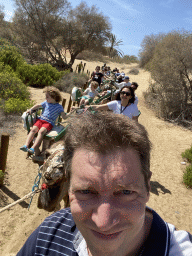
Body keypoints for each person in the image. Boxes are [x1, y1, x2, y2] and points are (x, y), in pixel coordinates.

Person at [17, 111, 192, 256]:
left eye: (125, 192)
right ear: (69, 187)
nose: (104, 223)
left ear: (147, 188)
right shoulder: (48, 235)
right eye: (86, 191)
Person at [20, 86, 67, 156]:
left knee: (41, 132)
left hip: (49, 122)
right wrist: (31, 109)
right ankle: (26, 145)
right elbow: (38, 105)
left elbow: (64, 116)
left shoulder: (59, 107)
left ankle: (33, 148)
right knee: (33, 130)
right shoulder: (46, 103)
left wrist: (66, 115)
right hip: (41, 119)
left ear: (53, 97)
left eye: (47, 97)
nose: (46, 98)